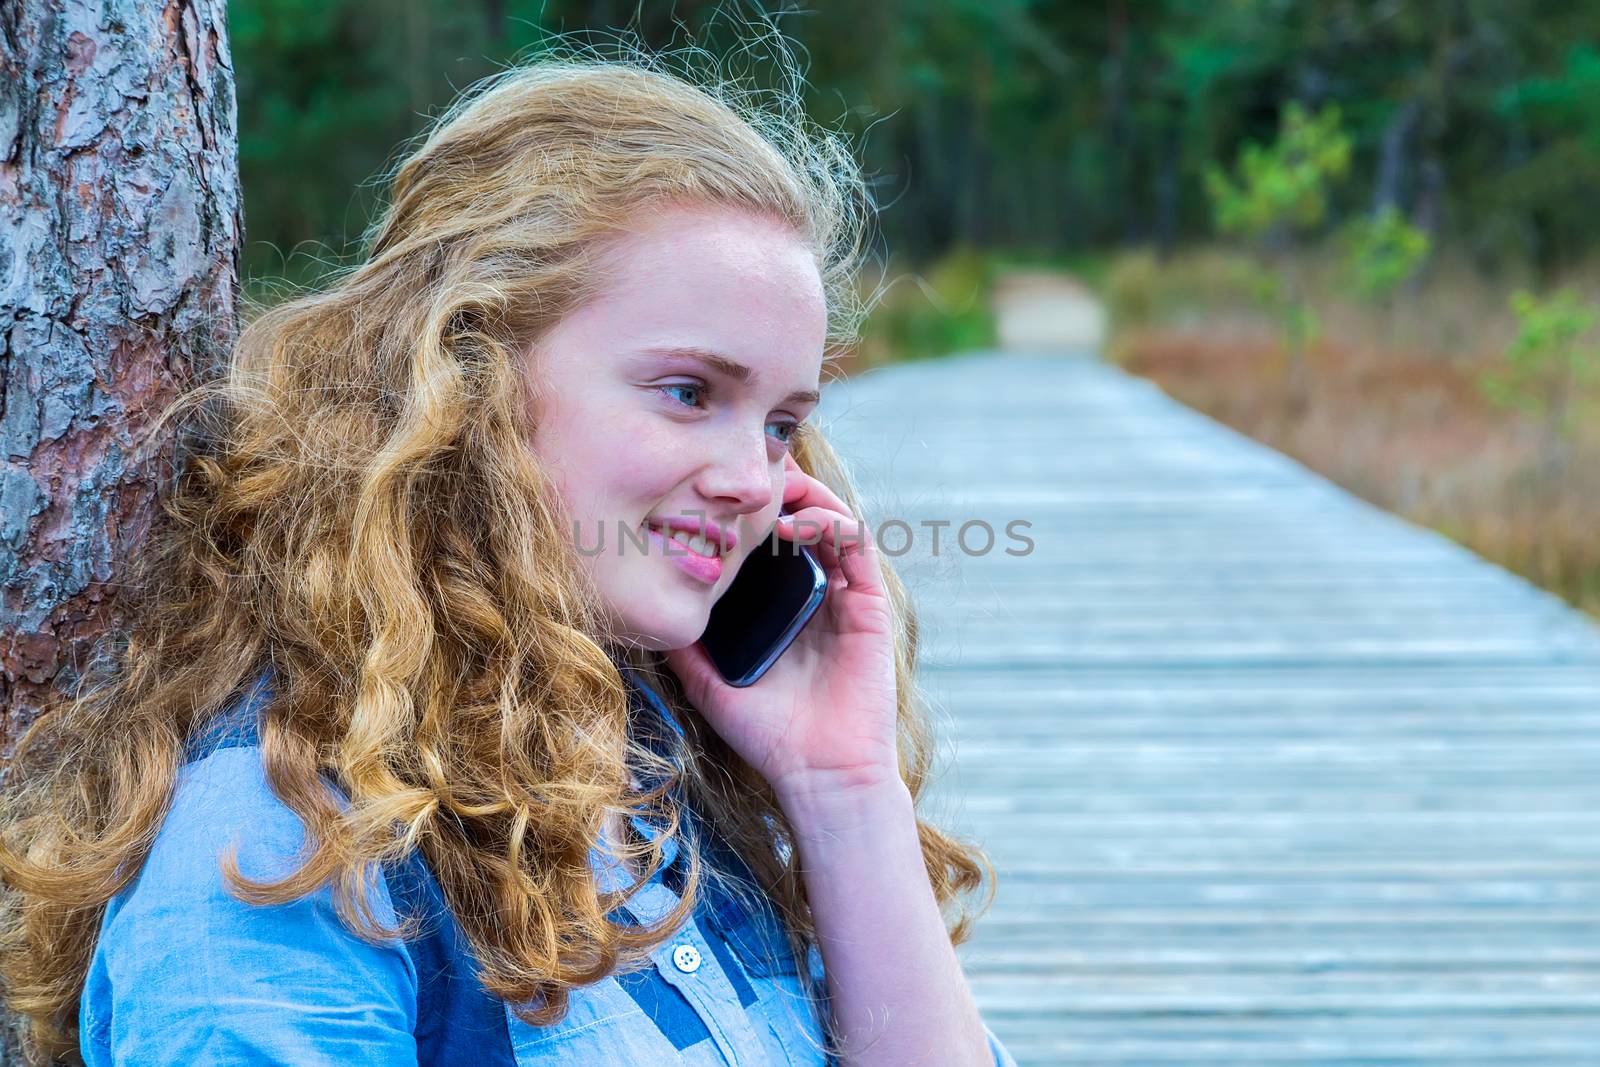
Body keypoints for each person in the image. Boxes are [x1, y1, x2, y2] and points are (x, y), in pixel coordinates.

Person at [0, 38, 1016, 1067]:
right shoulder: (287, 844)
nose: (755, 481)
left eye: (778, 421)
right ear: (467, 379)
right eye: (688, 392)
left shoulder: (680, 781)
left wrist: (841, 788)